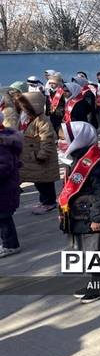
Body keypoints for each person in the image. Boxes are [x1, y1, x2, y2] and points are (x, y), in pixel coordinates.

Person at [57, 121, 100, 304]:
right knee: (88, 252)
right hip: (79, 215)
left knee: (95, 252)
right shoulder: (75, 157)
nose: (60, 142)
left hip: (91, 216)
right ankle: (96, 282)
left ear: (78, 139)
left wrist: (98, 218)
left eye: (63, 139)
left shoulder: (97, 163)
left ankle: (99, 286)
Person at [16, 92, 60, 215]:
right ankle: (44, 201)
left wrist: (42, 155)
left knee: (45, 182)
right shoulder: (27, 118)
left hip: (41, 159)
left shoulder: (42, 121)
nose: (22, 109)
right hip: (33, 158)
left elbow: (47, 140)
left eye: (25, 107)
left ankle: (49, 202)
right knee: (38, 181)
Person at [0, 110, 23, 258]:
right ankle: (7, 242)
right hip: (5, 187)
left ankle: (11, 245)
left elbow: (4, 166)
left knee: (4, 218)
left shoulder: (2, 143)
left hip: (4, 188)